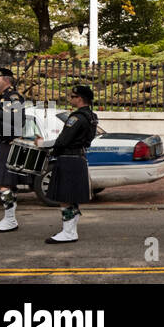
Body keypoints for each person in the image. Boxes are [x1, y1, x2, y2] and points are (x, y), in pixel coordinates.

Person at [40, 85, 98, 244]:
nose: (70, 99)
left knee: (64, 197)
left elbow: (63, 140)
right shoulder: (92, 116)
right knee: (71, 197)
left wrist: (44, 144)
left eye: (72, 96)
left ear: (79, 98)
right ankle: (71, 230)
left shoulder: (76, 118)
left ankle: (68, 233)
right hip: (79, 158)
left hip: (69, 159)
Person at [0, 67, 29, 234]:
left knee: (3, 183)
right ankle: (10, 218)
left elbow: (18, 120)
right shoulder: (3, 98)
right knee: (7, 183)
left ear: (6, 79)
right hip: (3, 143)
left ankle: (10, 219)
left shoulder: (13, 97)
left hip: (8, 144)